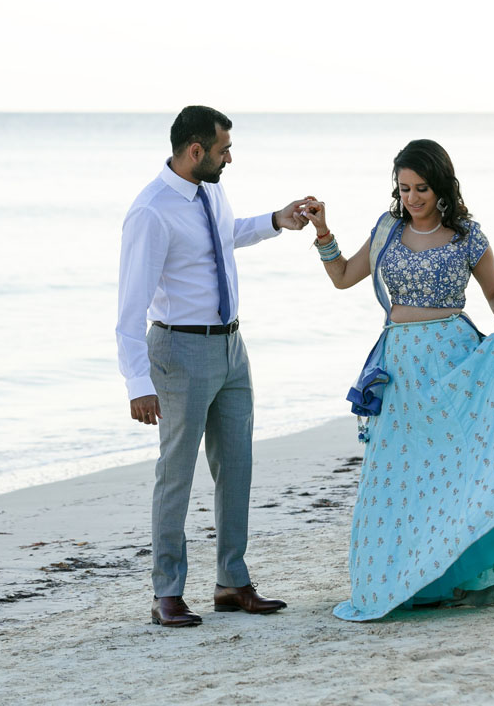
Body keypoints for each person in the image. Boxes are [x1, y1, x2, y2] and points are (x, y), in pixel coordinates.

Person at [301, 139, 494, 621]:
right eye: (404, 188)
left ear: (441, 186)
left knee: (455, 476)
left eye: (421, 188)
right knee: (397, 478)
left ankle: (454, 575)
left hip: (455, 366)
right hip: (400, 372)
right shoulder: (386, 231)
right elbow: (342, 277)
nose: (412, 198)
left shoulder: (467, 237)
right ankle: (399, 581)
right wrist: (323, 230)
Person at [117, 105, 310, 627]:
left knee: (237, 465)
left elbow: (222, 237)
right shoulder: (151, 211)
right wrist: (137, 381)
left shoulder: (210, 190)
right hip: (179, 351)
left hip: (231, 348)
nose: (230, 158)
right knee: (175, 474)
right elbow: (130, 309)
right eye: (224, 150)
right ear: (196, 150)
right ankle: (167, 592)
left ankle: (231, 582)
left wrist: (277, 221)